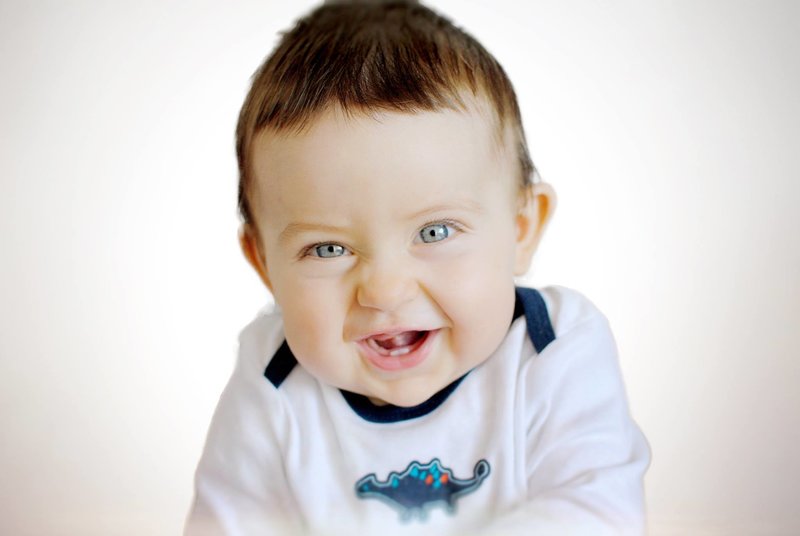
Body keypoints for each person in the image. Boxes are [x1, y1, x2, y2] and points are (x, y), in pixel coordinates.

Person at [185, 1, 650, 534]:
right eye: (329, 249)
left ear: (521, 229)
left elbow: (597, 513)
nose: (384, 290)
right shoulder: (273, 384)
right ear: (265, 264)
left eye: (434, 232)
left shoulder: (552, 350)